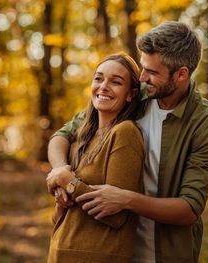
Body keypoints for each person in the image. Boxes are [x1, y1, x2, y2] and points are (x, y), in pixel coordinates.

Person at [47, 21, 208, 263]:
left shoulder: (206, 125)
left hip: (166, 253)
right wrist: (60, 169)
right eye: (143, 68)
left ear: (181, 74)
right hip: (115, 248)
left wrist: (125, 199)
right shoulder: (135, 96)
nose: (142, 77)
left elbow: (189, 209)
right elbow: (64, 135)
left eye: (152, 72)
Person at [46, 52, 145, 262]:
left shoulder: (125, 133)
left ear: (131, 94)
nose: (104, 86)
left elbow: (117, 215)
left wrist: (68, 182)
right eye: (98, 78)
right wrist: (61, 198)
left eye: (116, 82)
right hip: (61, 253)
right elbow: (61, 217)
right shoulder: (82, 136)